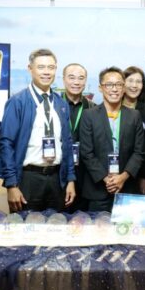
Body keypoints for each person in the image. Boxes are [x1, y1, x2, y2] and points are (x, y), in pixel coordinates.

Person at [0, 48, 76, 212]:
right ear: (30, 69)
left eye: (51, 67)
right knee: (25, 225)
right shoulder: (17, 102)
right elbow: (6, 144)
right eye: (41, 67)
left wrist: (70, 179)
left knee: (56, 225)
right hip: (28, 179)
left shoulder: (61, 104)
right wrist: (11, 184)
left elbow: (67, 144)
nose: (46, 72)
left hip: (57, 179)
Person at [79, 67, 145, 212]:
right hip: (98, 190)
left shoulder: (134, 116)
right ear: (100, 88)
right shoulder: (89, 115)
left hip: (126, 187)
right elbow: (86, 153)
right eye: (109, 85)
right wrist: (106, 179)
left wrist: (123, 177)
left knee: (126, 226)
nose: (114, 89)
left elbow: (139, 152)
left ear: (124, 88)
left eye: (119, 84)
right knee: (98, 226)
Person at [62, 63, 95, 211]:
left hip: (85, 173)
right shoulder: (54, 105)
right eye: (71, 77)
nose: (76, 82)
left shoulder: (94, 108)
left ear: (85, 81)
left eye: (81, 78)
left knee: (83, 217)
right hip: (60, 171)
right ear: (63, 79)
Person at [122, 66, 145, 195]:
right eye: (130, 81)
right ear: (122, 83)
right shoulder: (113, 108)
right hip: (116, 171)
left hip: (139, 172)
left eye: (138, 81)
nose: (134, 85)